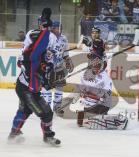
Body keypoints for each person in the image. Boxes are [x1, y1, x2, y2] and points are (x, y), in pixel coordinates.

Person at [56, 27, 128, 130]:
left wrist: (88, 93)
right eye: (92, 32)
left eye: (96, 32)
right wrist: (70, 101)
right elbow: (79, 90)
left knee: (88, 121)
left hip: (100, 105)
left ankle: (116, 120)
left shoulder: (98, 43)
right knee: (81, 120)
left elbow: (105, 98)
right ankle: (63, 107)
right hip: (89, 104)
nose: (94, 34)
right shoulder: (86, 74)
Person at [8, 8, 61, 146]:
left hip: (29, 87)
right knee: (46, 113)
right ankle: (47, 136)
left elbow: (51, 60)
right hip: (27, 89)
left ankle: (13, 134)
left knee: (24, 110)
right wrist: (44, 76)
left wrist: (47, 75)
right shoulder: (31, 51)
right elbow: (26, 62)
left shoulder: (48, 42)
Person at [41, 20, 74, 112]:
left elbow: (65, 53)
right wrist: (48, 53)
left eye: (60, 28)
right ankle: (46, 107)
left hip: (59, 66)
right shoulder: (47, 37)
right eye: (57, 28)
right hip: (47, 66)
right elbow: (41, 51)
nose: (59, 29)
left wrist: (68, 60)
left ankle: (57, 106)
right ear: (52, 28)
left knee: (59, 87)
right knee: (47, 87)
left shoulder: (64, 38)